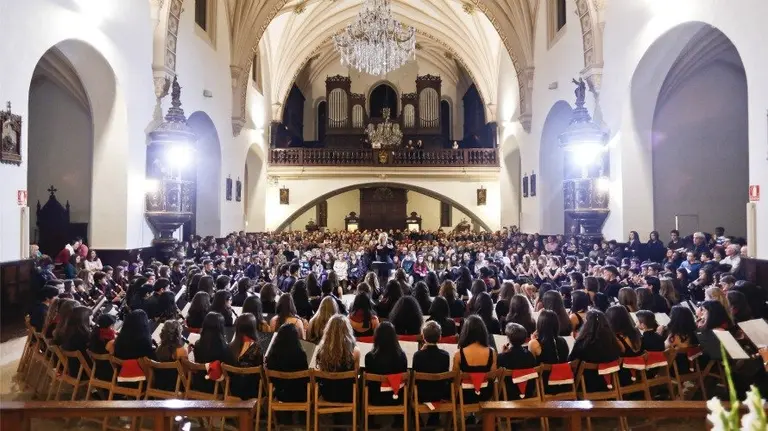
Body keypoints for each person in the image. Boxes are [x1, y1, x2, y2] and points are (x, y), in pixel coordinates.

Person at [568, 310, 621, 393]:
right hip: (607, 382)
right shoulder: (612, 340)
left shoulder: (583, 342)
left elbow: (571, 359)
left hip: (587, 384)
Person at [313, 315, 360, 405]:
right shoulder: (355, 351)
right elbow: (356, 375)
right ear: (347, 330)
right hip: (347, 394)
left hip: (327, 393)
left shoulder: (321, 350)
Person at [412, 321, 451, 427]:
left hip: (421, 394)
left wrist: (421, 350)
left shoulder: (417, 355)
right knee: (438, 386)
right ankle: (434, 419)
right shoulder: (445, 355)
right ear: (439, 337)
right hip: (440, 395)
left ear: (423, 337)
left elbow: (415, 377)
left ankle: (417, 420)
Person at [265, 323, 309, 416]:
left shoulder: (272, 355)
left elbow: (272, 380)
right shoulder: (300, 355)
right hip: (300, 395)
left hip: (281, 394)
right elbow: (305, 378)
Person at [454, 315, 497, 410]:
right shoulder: (492, 352)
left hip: (465, 395)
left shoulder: (459, 354)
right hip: (486, 394)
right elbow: (493, 377)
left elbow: (455, 379)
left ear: (466, 332)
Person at [364, 322, 408, 408]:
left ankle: (370, 419)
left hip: (375, 399)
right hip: (397, 398)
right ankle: (399, 419)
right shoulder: (401, 356)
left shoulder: (369, 357)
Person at [227, 313, 264, 400]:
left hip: (233, 390)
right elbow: (260, 372)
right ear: (253, 328)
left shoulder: (230, 347)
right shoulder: (256, 348)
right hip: (252, 392)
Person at [497, 322, 537, 399]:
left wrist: (502, 354)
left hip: (508, 395)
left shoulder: (502, 357)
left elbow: (499, 377)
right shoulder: (530, 355)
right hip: (528, 393)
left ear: (508, 339)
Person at [59, 306, 92, 377]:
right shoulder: (83, 334)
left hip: (74, 371)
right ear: (84, 318)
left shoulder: (67, 331)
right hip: (84, 372)